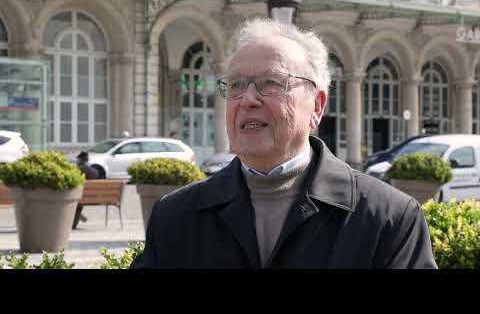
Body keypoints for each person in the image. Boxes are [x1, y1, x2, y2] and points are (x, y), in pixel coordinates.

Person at [131, 18, 437, 269]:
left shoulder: (389, 219)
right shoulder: (175, 216)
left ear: (317, 106)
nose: (248, 99)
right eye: (236, 85)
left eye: (271, 83)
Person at [72, 151, 99, 229]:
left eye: (77, 160)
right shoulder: (95, 171)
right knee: (80, 201)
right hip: (92, 197)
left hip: (80, 197)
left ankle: (73, 223)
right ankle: (78, 216)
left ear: (80, 160)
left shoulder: (78, 170)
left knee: (75, 200)